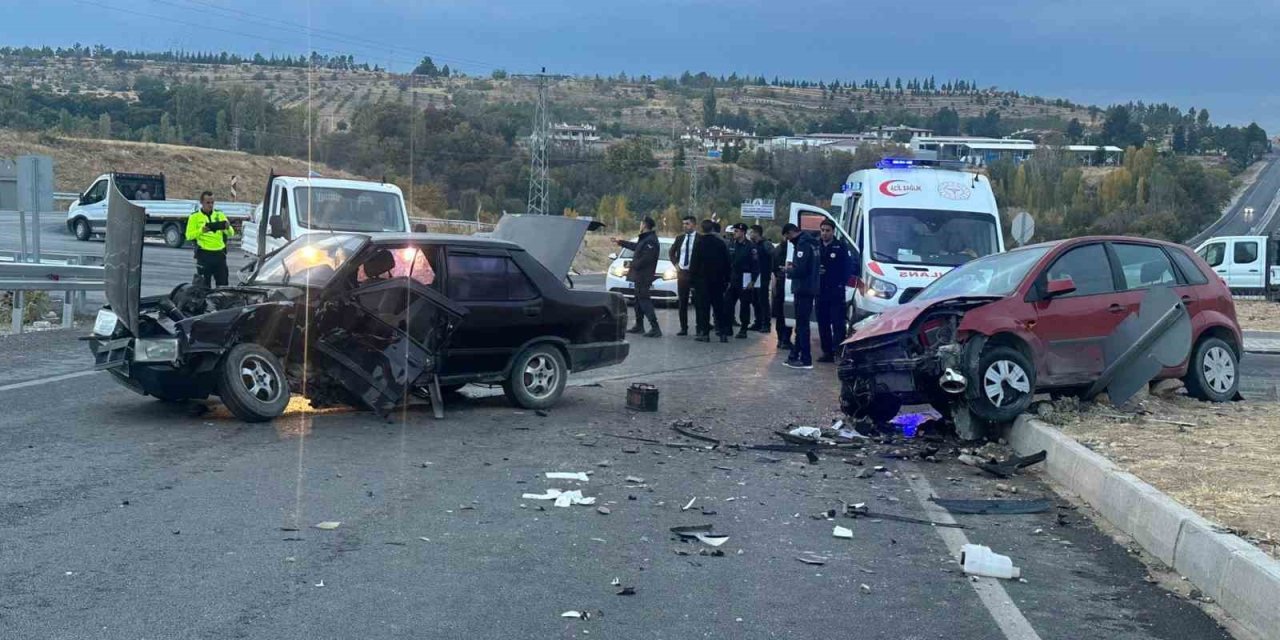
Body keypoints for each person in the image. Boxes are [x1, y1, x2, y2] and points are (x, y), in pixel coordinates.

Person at [816, 218, 856, 363]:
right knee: (823, 323)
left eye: (827, 231)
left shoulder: (841, 247)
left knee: (838, 323)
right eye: (822, 230)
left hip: (836, 291)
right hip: (820, 291)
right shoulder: (816, 246)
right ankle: (827, 352)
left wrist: (841, 283)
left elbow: (848, 267)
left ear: (833, 232)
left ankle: (838, 351)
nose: (824, 233)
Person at [614, 216, 662, 337]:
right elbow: (636, 247)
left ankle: (655, 328)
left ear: (644, 225)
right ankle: (639, 325)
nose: (640, 226)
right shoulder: (645, 239)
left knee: (644, 301)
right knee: (638, 301)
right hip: (639, 275)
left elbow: (646, 259)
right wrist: (621, 242)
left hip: (644, 276)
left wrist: (631, 264)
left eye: (641, 223)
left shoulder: (650, 240)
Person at [781, 223, 819, 369]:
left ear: (791, 232)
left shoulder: (803, 244)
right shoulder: (812, 243)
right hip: (810, 288)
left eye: (787, 237)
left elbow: (801, 270)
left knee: (802, 325)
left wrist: (788, 270)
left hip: (803, 289)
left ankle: (805, 359)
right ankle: (794, 355)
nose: (788, 240)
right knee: (801, 325)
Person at [689, 218, 731, 343]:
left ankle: (705, 334)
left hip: (702, 281)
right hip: (718, 280)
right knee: (719, 308)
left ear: (702, 229)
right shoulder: (720, 243)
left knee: (704, 308)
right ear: (712, 229)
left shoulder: (699, 243)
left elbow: (694, 263)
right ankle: (722, 333)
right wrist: (727, 279)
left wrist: (692, 281)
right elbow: (727, 262)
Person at [186, 191, 235, 287]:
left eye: (212, 202)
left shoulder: (219, 214)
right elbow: (189, 236)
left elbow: (231, 234)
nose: (210, 205)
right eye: (208, 203)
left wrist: (227, 227)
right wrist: (201, 230)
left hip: (219, 254)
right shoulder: (194, 216)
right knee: (203, 287)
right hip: (204, 255)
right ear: (201, 202)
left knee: (223, 286)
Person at [668, 216, 698, 336]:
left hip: (695, 274)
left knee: (698, 302)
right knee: (682, 301)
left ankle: (700, 327)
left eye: (687, 224)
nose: (685, 226)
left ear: (694, 225)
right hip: (682, 273)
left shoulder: (700, 239)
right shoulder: (680, 238)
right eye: (684, 224)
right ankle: (683, 327)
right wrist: (676, 264)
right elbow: (671, 252)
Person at [727, 223, 759, 339]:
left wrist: (753, 280)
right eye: (734, 231)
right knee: (728, 303)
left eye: (736, 231)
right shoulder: (731, 244)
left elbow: (755, 265)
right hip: (733, 277)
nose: (734, 233)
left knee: (744, 305)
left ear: (743, 232)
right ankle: (728, 327)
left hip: (745, 278)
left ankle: (743, 329)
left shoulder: (751, 247)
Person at [770, 229, 793, 351]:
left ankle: (781, 339)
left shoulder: (777, 249)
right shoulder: (789, 249)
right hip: (786, 283)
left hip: (779, 282)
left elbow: (773, 270)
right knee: (786, 313)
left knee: (780, 313)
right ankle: (785, 339)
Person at [749, 224, 772, 333]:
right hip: (754, 276)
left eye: (752, 232)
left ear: (757, 233)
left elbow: (772, 257)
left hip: (763, 276)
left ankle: (766, 324)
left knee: (763, 300)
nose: (750, 234)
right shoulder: (752, 244)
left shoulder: (766, 244)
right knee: (755, 300)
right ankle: (758, 322)